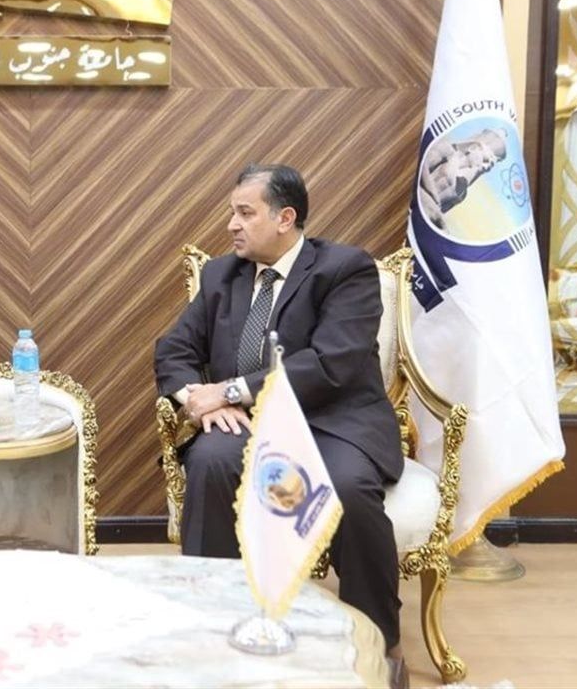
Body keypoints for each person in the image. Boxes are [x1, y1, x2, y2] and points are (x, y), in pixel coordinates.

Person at [154, 164, 408, 687]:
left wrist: (228, 390)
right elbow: (173, 351)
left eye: (245, 213)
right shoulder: (221, 276)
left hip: (334, 421)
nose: (232, 224)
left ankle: (375, 641)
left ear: (285, 218)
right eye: (232, 212)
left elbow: (330, 363)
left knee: (346, 489)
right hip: (252, 423)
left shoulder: (345, 269)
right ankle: (215, 621)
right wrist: (198, 400)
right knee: (211, 460)